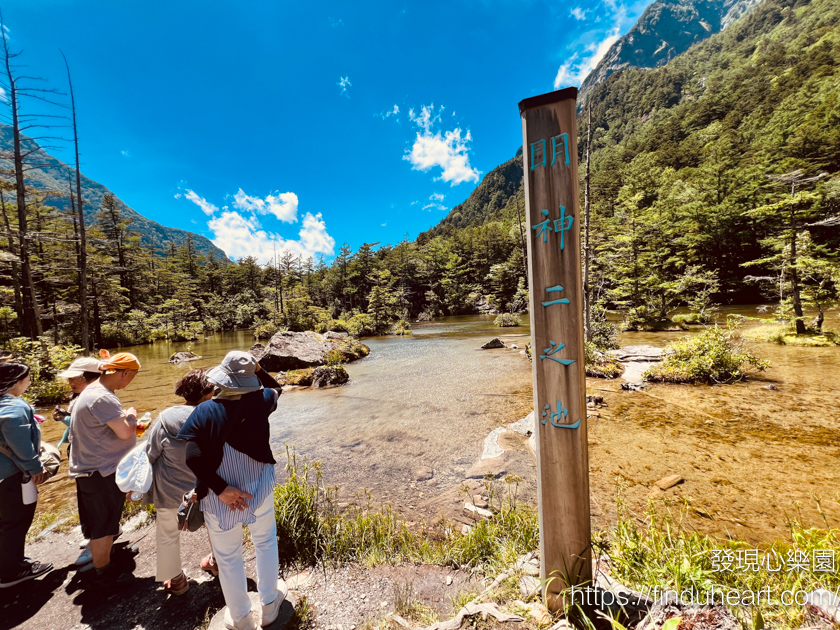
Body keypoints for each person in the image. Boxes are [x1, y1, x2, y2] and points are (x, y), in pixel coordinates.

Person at [178, 351, 285, 630]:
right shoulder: (261, 401)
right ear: (250, 380)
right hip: (259, 487)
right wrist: (258, 369)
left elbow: (192, 458)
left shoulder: (205, 411)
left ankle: (241, 618)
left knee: (228, 558)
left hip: (220, 498)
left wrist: (222, 489)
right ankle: (270, 604)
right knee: (265, 542)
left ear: (222, 380)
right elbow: (276, 388)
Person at [68, 351, 141, 586]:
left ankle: (105, 559)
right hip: (100, 471)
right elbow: (125, 432)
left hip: (93, 467)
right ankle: (104, 574)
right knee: (104, 526)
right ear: (125, 373)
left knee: (105, 522)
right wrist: (131, 416)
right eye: (132, 376)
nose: (131, 381)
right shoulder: (102, 398)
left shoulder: (94, 390)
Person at [143, 369, 214, 596]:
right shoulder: (214, 415)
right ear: (207, 393)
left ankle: (177, 582)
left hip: (170, 489)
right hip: (206, 488)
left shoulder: (165, 418)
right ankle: (220, 565)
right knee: (216, 528)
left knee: (167, 534)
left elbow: (150, 453)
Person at [0, 362, 54, 588]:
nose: (29, 382)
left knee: (4, 522)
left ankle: (9, 564)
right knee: (16, 521)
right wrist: (35, 467)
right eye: (28, 378)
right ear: (17, 381)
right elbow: (13, 426)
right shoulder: (13, 406)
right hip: (9, 477)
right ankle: (13, 572)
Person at [53, 356, 102, 449]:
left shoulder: (99, 400)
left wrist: (65, 418)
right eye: (70, 379)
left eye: (78, 380)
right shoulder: (76, 397)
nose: (72, 383)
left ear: (95, 379)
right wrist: (64, 416)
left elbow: (89, 426)